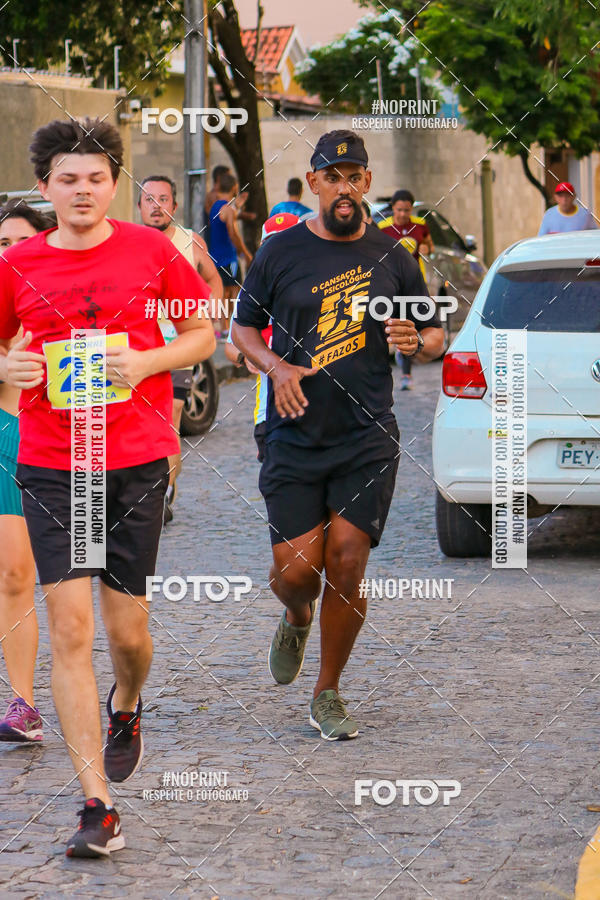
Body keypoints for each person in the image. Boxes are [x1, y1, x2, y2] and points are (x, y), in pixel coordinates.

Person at [0, 117, 215, 857]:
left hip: (132, 458)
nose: (82, 190)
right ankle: (98, 803)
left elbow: (202, 334)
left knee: (127, 631)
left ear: (114, 185)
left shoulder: (152, 251)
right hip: (57, 464)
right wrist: (7, 369)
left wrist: (150, 363)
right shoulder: (18, 261)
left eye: (95, 178)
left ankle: (128, 703)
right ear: (45, 187)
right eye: (68, 178)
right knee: (70, 628)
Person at [232, 129, 444, 741]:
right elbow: (242, 330)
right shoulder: (279, 253)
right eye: (334, 176)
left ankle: (327, 692)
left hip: (367, 435)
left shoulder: (395, 255)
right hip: (294, 434)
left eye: (356, 176)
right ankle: (296, 616)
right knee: (297, 570)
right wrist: (276, 366)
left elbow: (431, 335)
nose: (345, 187)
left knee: (347, 564)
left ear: (367, 184)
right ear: (316, 182)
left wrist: (419, 342)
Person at [138, 174, 223, 522]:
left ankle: (163, 495)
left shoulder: (189, 242)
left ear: (174, 205)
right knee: (143, 424)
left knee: (170, 417)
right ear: (139, 206)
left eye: (163, 199)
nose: (156, 206)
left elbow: (215, 280)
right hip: (140, 348)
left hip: (179, 347)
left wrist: (209, 321)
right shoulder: (129, 242)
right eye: (148, 200)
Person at [0, 201, 48, 742]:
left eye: (19, 242)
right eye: (2, 245)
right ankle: (24, 704)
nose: (10, 254)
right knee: (13, 575)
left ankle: (123, 697)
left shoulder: (63, 300)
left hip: (64, 440)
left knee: (83, 586)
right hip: (3, 435)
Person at [225, 212, 300, 462]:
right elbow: (231, 346)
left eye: (288, 244)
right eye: (272, 245)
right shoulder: (250, 294)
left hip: (319, 414)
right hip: (268, 416)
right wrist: (244, 357)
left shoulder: (318, 290)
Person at [379, 190, 435, 391]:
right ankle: (383, 370)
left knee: (408, 327)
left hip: (414, 284)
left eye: (407, 210)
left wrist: (427, 249)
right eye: (399, 210)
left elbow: (429, 244)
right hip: (391, 284)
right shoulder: (383, 228)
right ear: (393, 209)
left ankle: (406, 375)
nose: (403, 214)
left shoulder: (420, 225)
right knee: (387, 327)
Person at [209, 173, 253, 333]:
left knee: (223, 292)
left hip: (216, 256)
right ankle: (230, 327)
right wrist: (246, 254)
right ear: (234, 188)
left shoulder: (216, 206)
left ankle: (224, 327)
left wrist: (238, 205)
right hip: (228, 257)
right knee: (233, 292)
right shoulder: (228, 210)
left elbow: (227, 213)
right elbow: (233, 234)